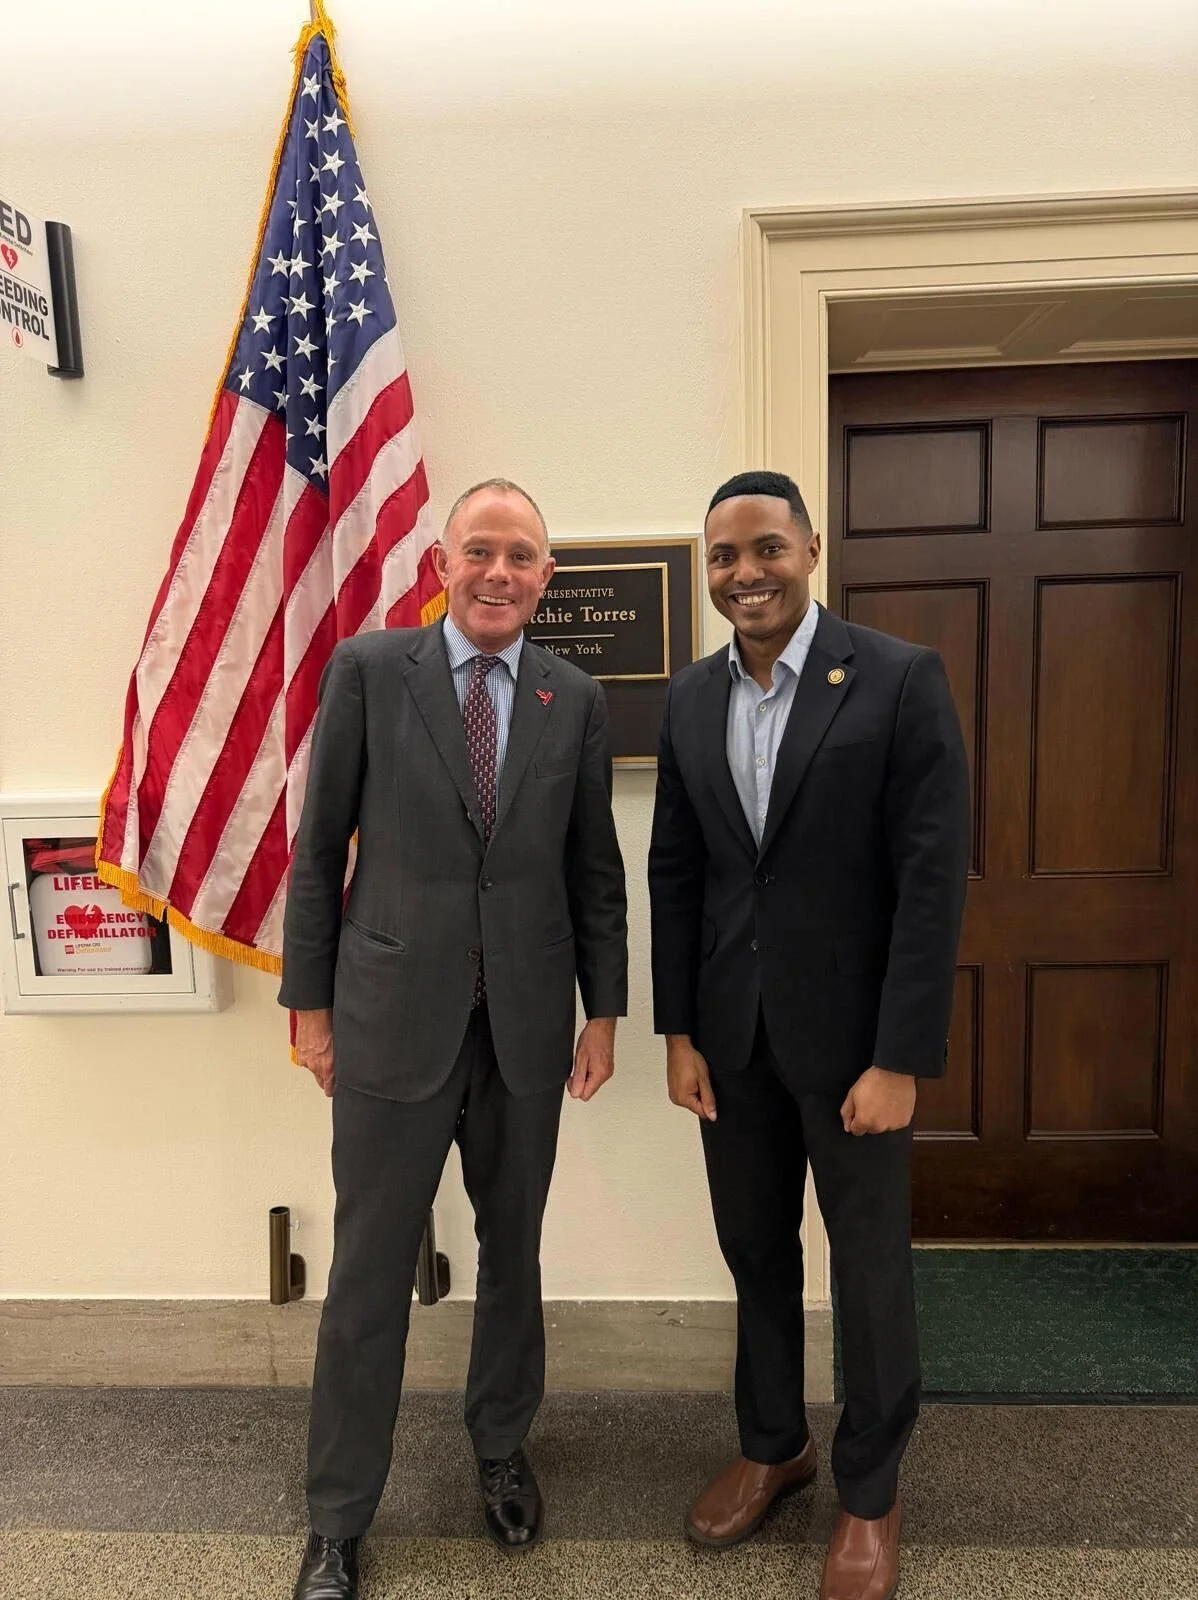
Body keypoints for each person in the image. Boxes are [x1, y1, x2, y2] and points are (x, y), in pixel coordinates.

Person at [280, 479, 628, 1600]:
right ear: (443, 564)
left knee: (512, 1254)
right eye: (480, 550)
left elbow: (593, 870)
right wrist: (313, 1005)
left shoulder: (572, 696)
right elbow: (316, 846)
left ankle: (500, 1448)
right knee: (367, 1273)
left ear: (546, 577)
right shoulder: (373, 672)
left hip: (526, 1027)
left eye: (521, 555)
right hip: (390, 1022)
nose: (499, 572)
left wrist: (604, 1012)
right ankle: (336, 1518)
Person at [648, 470, 969, 1600]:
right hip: (729, 1045)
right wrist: (677, 1029)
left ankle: (870, 1493)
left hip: (855, 1052)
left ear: (812, 548)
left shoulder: (894, 679)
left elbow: (932, 885)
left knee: (869, 1271)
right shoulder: (689, 697)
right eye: (725, 556)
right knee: (755, 1251)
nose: (746, 573)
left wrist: (901, 1056)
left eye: (767, 549)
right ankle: (775, 1442)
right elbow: (677, 873)